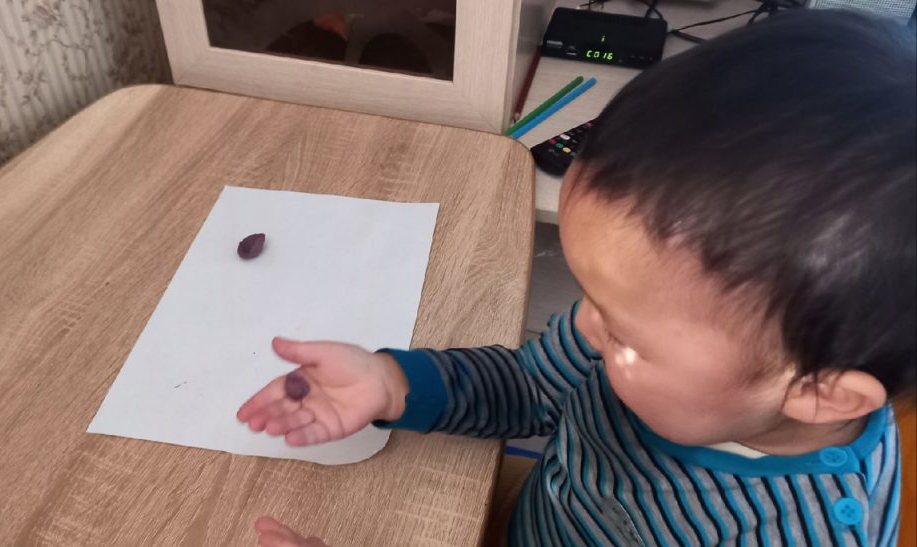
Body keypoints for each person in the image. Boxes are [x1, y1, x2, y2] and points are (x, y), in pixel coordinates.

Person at [237, 9, 916, 546]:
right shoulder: (630, 332)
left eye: (625, 334)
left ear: (819, 392)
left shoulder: (794, 530)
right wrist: (391, 381)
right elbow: (529, 386)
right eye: (592, 295)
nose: (586, 325)